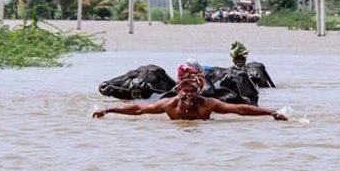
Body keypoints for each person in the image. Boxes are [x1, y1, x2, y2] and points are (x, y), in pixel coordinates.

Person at [92, 63, 288, 121]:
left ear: (198, 90)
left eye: (192, 91)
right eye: (184, 91)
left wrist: (271, 112)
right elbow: (138, 109)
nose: (187, 95)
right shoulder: (168, 105)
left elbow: (240, 109)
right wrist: (109, 111)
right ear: (178, 91)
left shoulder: (207, 104)